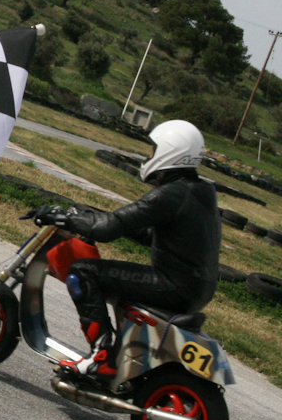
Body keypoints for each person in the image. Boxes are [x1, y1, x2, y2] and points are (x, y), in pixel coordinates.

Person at [33, 120, 221, 381]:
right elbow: (145, 232)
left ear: (170, 151)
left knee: (83, 272)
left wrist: (66, 218)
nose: (149, 156)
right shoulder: (202, 190)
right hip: (197, 288)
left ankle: (101, 358)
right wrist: (92, 217)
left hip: (173, 284)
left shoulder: (169, 194)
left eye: (154, 150)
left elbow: (109, 228)